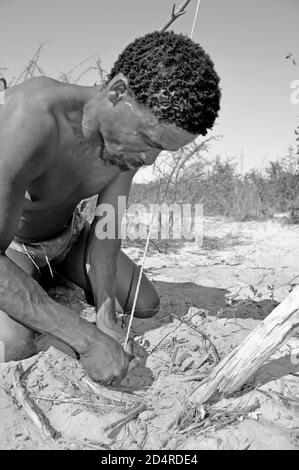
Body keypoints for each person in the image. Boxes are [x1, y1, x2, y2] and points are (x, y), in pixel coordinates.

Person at [0, 31, 220, 384]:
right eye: (149, 141)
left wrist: (105, 317)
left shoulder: (123, 146)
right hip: (16, 247)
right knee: (15, 344)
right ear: (118, 91)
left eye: (162, 150)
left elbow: (107, 227)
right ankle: (35, 283)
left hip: (70, 238)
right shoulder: (28, 118)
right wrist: (86, 340)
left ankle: (48, 287)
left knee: (145, 304)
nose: (149, 159)